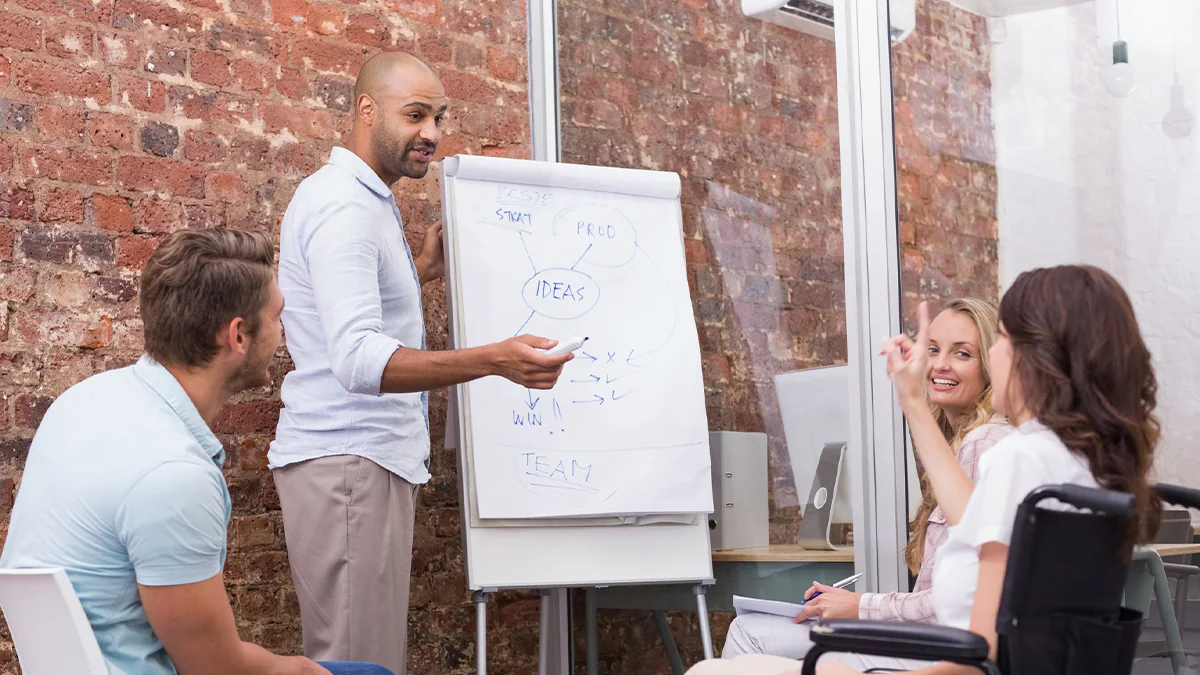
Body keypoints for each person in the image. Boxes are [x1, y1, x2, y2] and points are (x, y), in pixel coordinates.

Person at [691, 264, 1161, 675]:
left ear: (1036, 358)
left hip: (942, 666)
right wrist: (913, 400)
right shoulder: (1077, 464)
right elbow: (973, 518)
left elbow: (983, 657)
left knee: (710, 670)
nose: (994, 353)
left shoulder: (1019, 458)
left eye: (1000, 339)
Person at [269, 51, 572, 675]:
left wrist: (420, 272)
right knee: (357, 664)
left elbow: (347, 320)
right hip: (350, 465)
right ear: (366, 110)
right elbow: (357, 359)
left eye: (439, 117)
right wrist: (495, 360)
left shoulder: (363, 200)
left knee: (362, 659)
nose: (432, 133)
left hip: (357, 465)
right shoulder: (344, 206)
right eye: (415, 115)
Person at [0, 230, 390, 675]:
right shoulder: (172, 475)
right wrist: (304, 669)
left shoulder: (82, 401)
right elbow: (217, 669)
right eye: (277, 315)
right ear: (238, 335)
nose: (283, 330)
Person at [722, 299, 1010, 660]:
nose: (940, 364)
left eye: (962, 353)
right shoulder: (964, 443)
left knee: (751, 635)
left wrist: (859, 606)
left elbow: (958, 602)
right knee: (751, 629)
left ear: (990, 365)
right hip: (930, 641)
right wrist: (854, 604)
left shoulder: (982, 443)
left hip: (941, 652)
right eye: (933, 349)